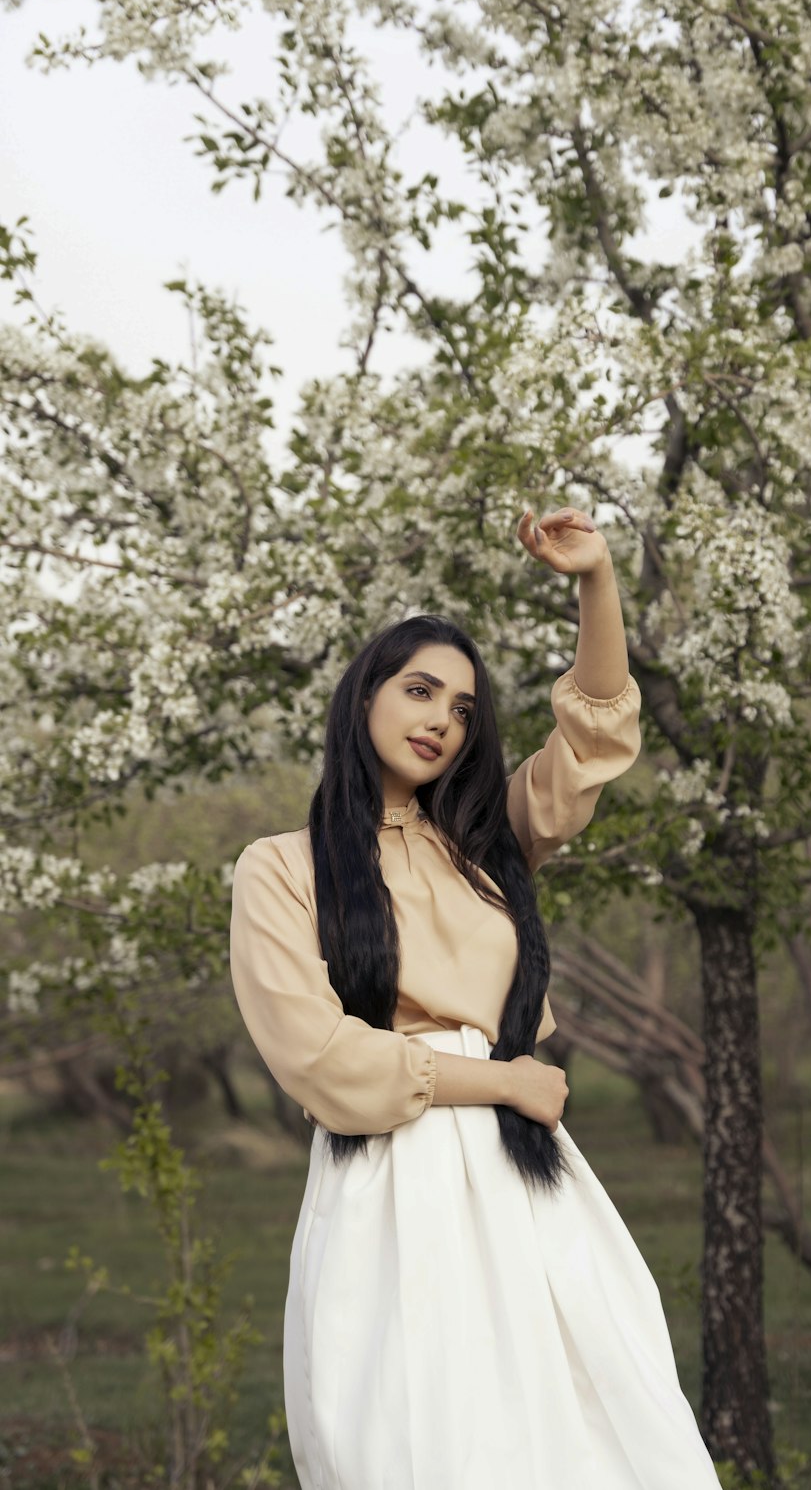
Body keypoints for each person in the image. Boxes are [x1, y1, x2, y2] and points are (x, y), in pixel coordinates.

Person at [229, 506, 722, 1490]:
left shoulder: (487, 839)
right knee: (426, 1444)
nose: (441, 722)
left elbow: (591, 735)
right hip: (394, 1181)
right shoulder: (282, 870)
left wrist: (596, 579)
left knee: (599, 1435)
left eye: (461, 709)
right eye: (419, 691)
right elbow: (321, 1061)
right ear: (362, 695)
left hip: (525, 1175)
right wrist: (501, 1085)